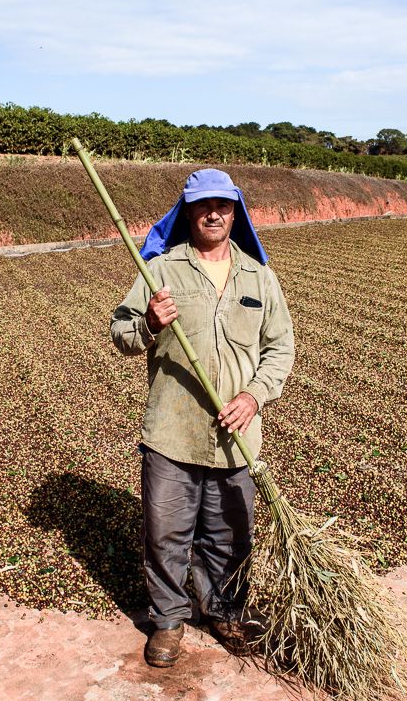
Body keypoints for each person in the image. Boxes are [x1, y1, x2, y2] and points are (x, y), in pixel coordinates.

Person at [110, 168, 295, 668]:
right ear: (188, 212)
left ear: (236, 213)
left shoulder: (260, 276)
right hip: (172, 431)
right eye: (203, 205)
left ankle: (224, 611)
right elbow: (120, 333)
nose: (214, 213)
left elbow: (280, 348)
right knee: (165, 532)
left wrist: (254, 396)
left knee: (230, 532)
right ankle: (168, 621)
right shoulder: (161, 270)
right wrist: (148, 323)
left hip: (237, 435)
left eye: (224, 205)